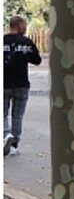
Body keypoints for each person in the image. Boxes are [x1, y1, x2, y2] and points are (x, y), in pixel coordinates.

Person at [4, 15, 42, 156]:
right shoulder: (26, 42)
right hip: (21, 84)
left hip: (4, 84)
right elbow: (37, 60)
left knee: (2, 113)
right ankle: (14, 145)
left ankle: (5, 136)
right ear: (20, 25)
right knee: (17, 116)